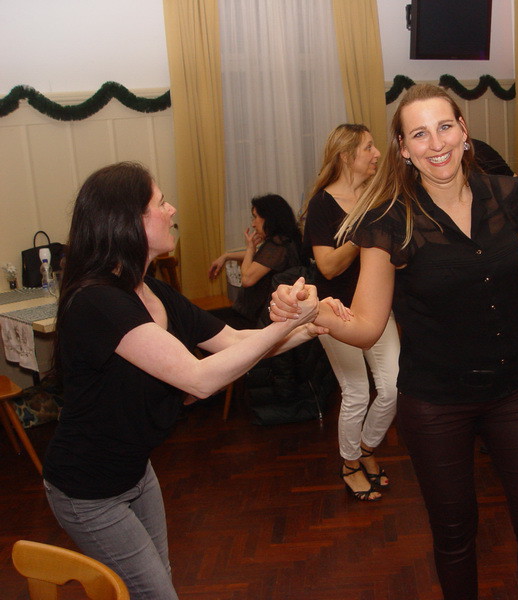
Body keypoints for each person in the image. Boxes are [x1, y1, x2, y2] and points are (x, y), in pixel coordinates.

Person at [271, 84, 518, 600]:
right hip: (436, 403)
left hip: (516, 390)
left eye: (445, 127)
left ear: (464, 131)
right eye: (419, 134)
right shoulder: (388, 220)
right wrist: (315, 314)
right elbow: (367, 324)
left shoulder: (509, 195)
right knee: (455, 537)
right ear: (403, 148)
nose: (436, 144)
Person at [42, 162, 323, 599]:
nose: (172, 209)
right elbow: (199, 379)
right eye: (160, 203)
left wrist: (309, 328)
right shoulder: (98, 301)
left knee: (158, 581)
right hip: (88, 490)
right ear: (129, 222)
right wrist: (289, 323)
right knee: (155, 593)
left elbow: (235, 342)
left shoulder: (153, 291)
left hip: (135, 471)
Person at [303, 124, 400, 501]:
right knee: (357, 391)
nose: (377, 154)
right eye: (368, 148)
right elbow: (328, 267)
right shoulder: (322, 204)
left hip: (377, 305)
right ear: (346, 156)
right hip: (335, 310)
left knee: (392, 388)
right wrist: (364, 234)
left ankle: (367, 448)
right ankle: (349, 463)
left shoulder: (378, 196)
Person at [208, 194, 303, 329]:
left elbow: (247, 279)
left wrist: (249, 249)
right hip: (258, 315)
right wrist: (226, 256)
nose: (253, 223)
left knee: (202, 323)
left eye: (255, 217)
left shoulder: (277, 246)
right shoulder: (286, 241)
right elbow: (260, 258)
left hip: (255, 319)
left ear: (269, 218)